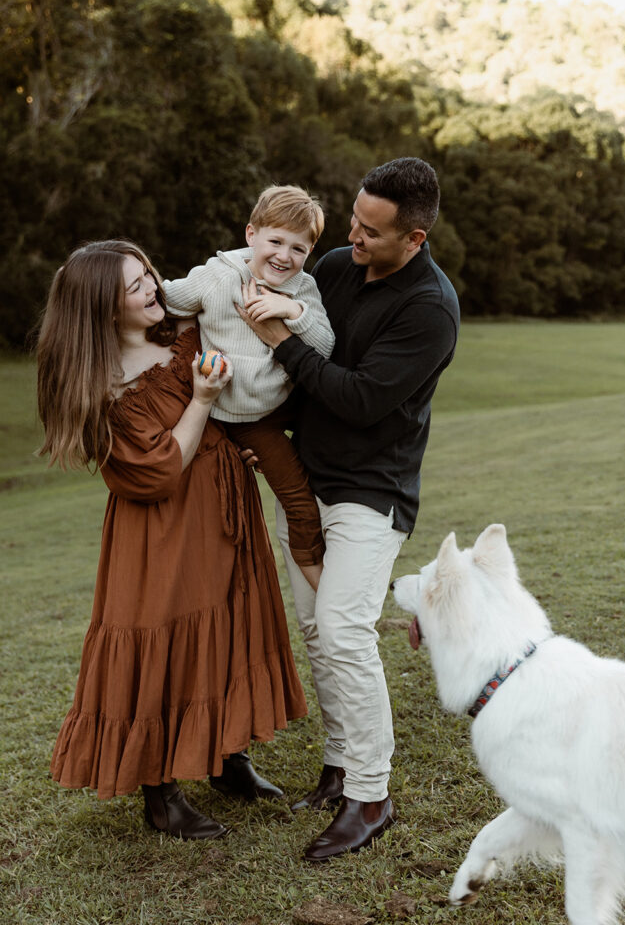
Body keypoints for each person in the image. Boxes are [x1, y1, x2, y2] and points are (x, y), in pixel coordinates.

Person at [36, 239, 307, 840]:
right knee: (166, 640)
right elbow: (158, 469)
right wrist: (204, 402)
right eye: (134, 287)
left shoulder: (177, 327)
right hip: (162, 532)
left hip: (223, 509)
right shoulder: (101, 385)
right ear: (104, 309)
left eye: (148, 276)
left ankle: (227, 757)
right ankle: (160, 794)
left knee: (231, 625)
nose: (152, 289)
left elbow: (237, 266)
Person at [238, 157, 461, 861]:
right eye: (354, 221)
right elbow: (302, 381)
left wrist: (280, 340)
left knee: (342, 629)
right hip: (305, 480)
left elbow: (361, 398)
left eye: (370, 231)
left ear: (414, 238)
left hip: (372, 491)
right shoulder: (334, 267)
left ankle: (370, 795)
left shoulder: (429, 308)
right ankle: (338, 768)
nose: (353, 237)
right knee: (315, 630)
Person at [163, 185, 334, 592]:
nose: (284, 256)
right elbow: (166, 298)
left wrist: (292, 311)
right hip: (230, 416)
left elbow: (325, 346)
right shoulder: (218, 276)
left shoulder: (302, 289)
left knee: (298, 498)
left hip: (273, 409)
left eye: (298, 249)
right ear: (250, 234)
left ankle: (325, 589)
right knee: (235, 501)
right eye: (275, 241)